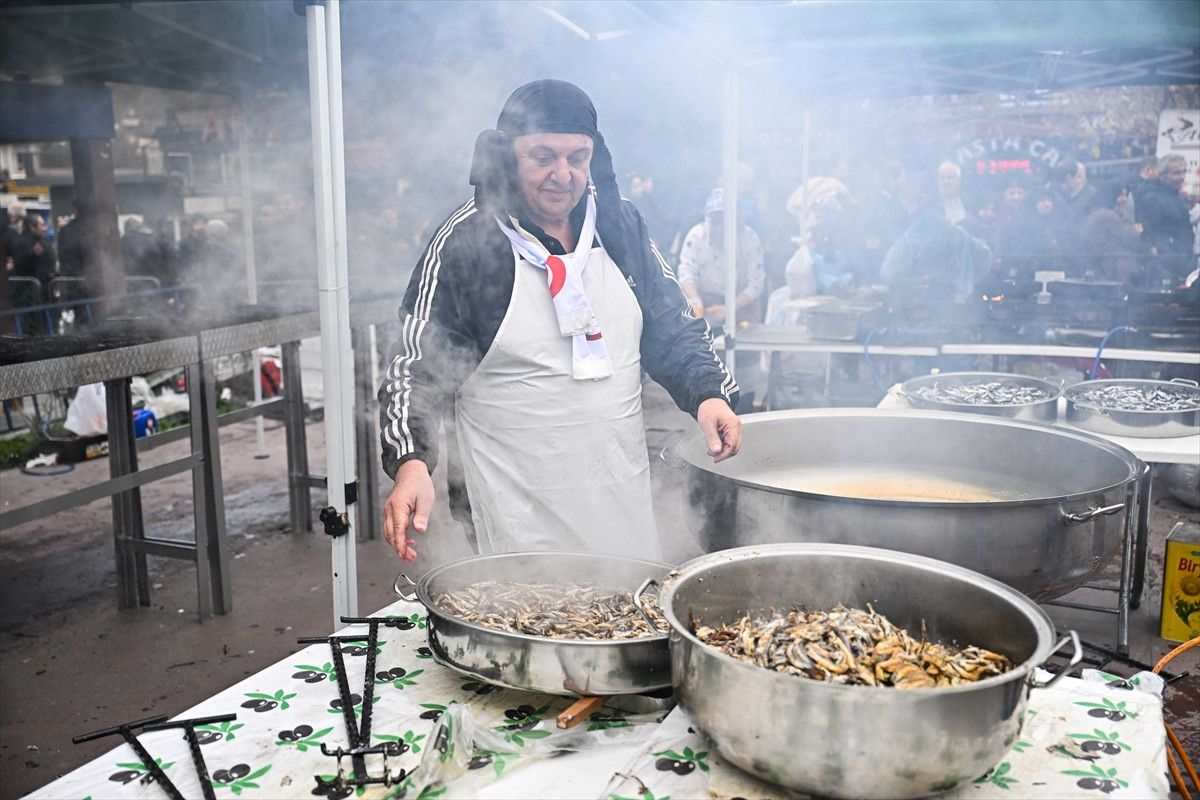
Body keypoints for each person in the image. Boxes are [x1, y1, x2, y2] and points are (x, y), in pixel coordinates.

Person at [377, 79, 741, 563]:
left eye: (578, 157)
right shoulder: (468, 243)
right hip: (512, 518)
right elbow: (416, 369)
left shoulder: (619, 224)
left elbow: (672, 325)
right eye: (543, 157)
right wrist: (411, 463)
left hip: (619, 500)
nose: (563, 174)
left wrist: (708, 393)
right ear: (508, 157)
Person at [677, 187, 765, 326]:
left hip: (742, 306)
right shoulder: (696, 236)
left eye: (726, 221)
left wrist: (727, 310)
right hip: (704, 303)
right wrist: (696, 304)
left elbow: (756, 284)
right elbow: (686, 273)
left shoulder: (750, 239)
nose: (720, 228)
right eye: (716, 221)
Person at [1137, 154, 1195, 284]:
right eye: (1176, 173)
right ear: (1162, 175)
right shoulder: (1151, 197)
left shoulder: (1175, 195)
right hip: (1164, 265)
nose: (1182, 177)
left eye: (1184, 172)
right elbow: (1149, 234)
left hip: (1180, 259)